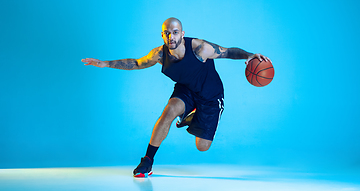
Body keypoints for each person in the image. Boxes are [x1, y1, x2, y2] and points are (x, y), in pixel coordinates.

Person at [81, 17, 270, 178]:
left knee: (202, 146)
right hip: (186, 90)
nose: (171, 36)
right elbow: (137, 63)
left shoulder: (200, 48)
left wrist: (250, 55)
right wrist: (105, 63)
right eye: (167, 33)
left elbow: (227, 51)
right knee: (169, 112)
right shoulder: (160, 54)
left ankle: (194, 114)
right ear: (162, 35)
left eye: (175, 32)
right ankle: (147, 160)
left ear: (182, 33)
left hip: (211, 96)